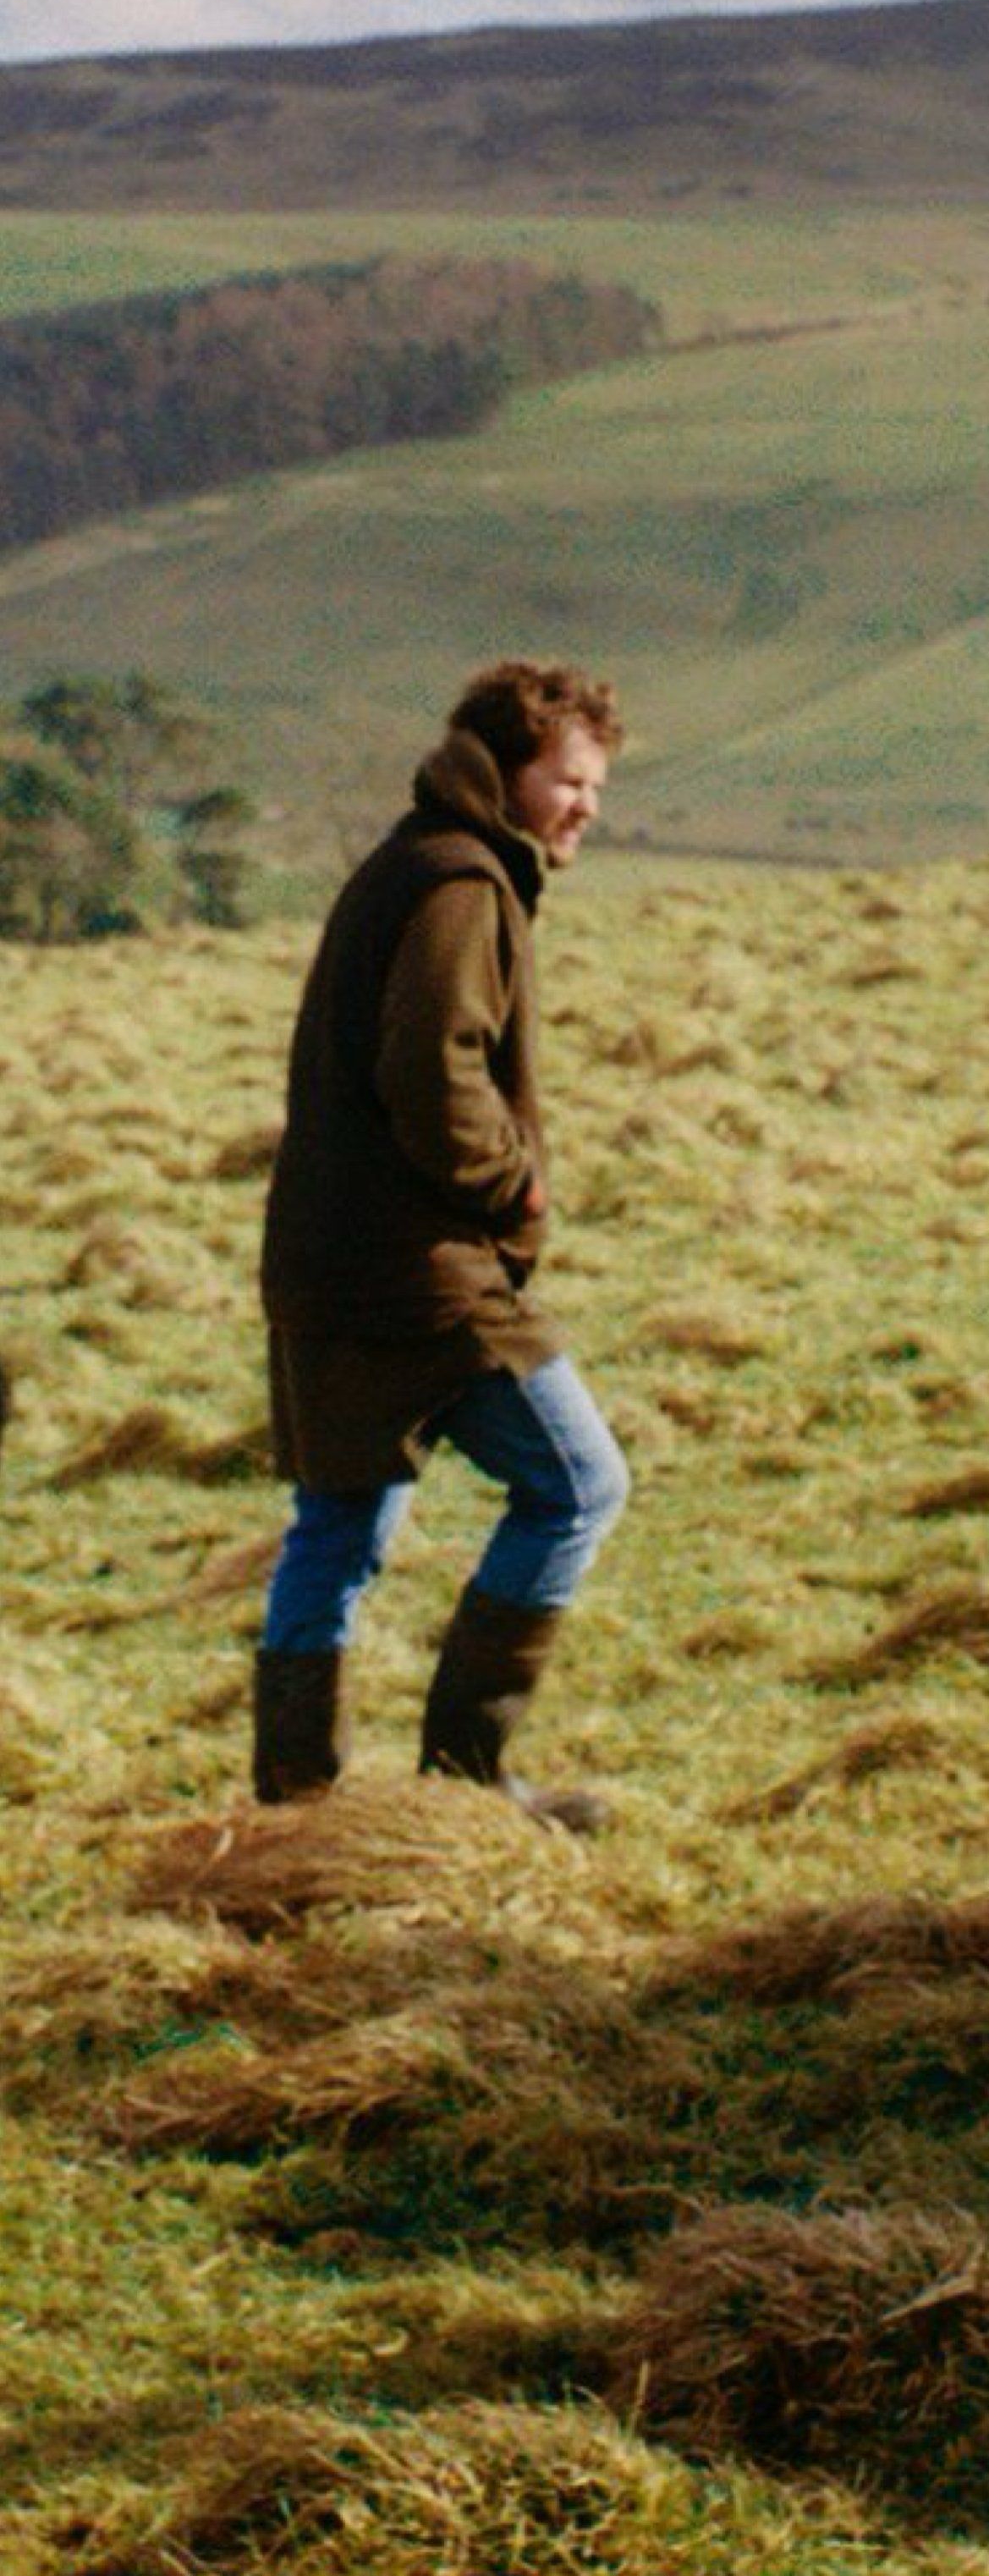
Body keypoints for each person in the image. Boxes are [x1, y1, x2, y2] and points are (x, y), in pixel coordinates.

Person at [251, 658, 631, 1829]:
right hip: (419, 1277)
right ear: (506, 770)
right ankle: (467, 1779)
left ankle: (300, 1813)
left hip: (334, 1265)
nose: (585, 808)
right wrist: (514, 1186)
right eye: (570, 781)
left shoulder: (419, 861)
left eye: (597, 789)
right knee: (578, 1486)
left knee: (339, 1521)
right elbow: (434, 1073)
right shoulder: (463, 884)